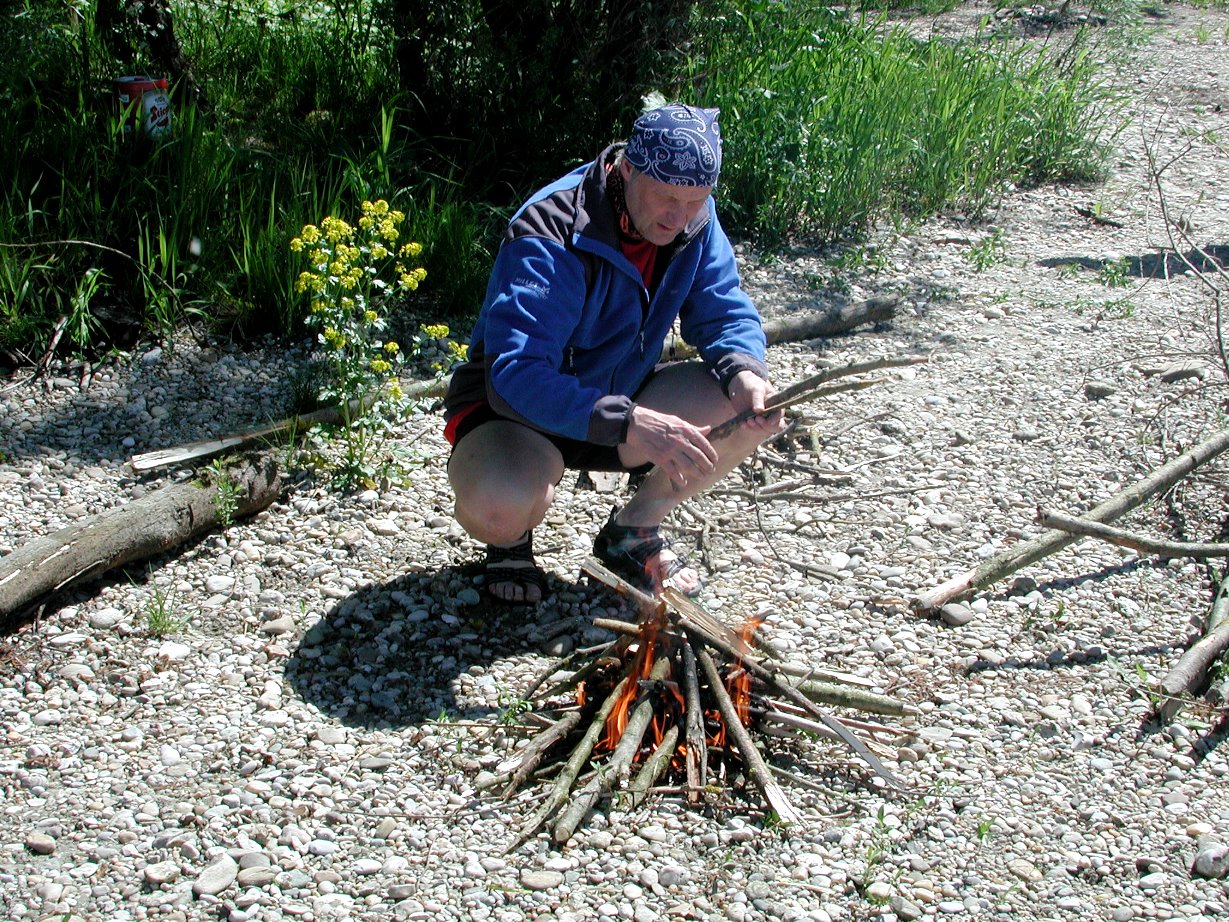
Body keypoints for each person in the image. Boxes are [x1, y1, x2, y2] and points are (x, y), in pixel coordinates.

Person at [443, 102, 782, 604]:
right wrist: (630, 421)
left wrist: (745, 373)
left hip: (620, 396)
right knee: (498, 504)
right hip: (515, 413)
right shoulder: (552, 227)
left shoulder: (695, 220)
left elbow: (725, 311)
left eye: (695, 201)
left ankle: (631, 532)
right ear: (626, 169)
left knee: (741, 406)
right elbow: (516, 372)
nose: (679, 216)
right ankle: (511, 539)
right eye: (666, 197)